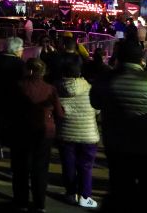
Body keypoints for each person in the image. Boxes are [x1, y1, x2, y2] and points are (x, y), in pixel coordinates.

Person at [89, 40, 147, 211]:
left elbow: (95, 103)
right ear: (141, 58)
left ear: (118, 56)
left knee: (120, 184)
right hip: (146, 144)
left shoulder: (105, 79)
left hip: (116, 142)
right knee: (146, 186)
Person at [9, 58, 64, 213]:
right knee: (40, 169)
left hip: (22, 131)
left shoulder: (19, 86)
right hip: (44, 132)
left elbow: (10, 109)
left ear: (30, 70)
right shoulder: (50, 88)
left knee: (21, 168)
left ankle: (21, 202)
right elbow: (59, 113)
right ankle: (40, 203)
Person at [55, 53, 100, 208]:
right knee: (86, 166)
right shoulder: (89, 88)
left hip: (65, 133)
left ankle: (70, 193)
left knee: (68, 164)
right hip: (88, 133)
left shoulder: (57, 88)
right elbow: (97, 110)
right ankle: (85, 196)